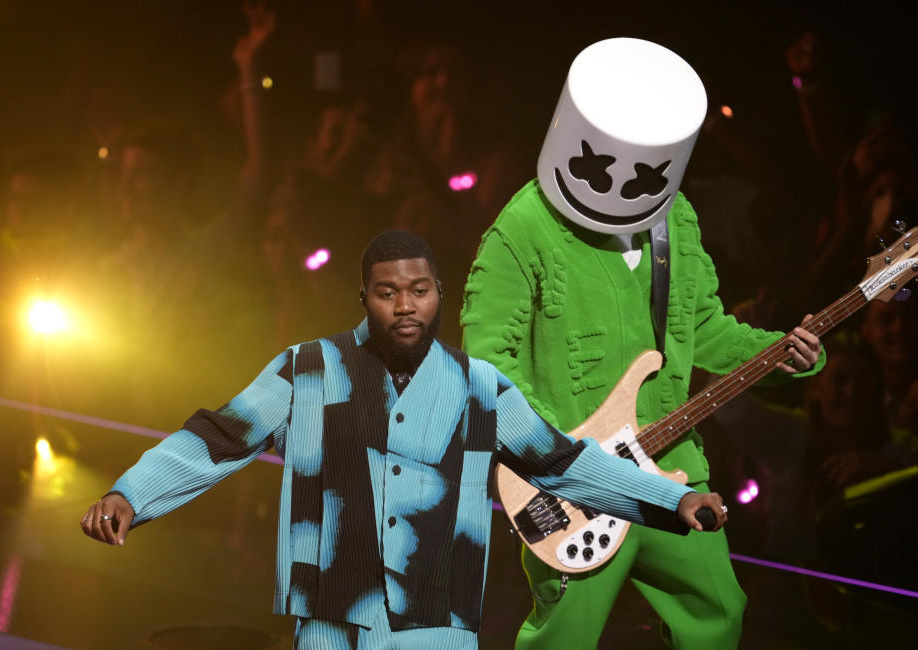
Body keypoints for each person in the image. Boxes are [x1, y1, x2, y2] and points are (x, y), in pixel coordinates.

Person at [80, 229, 729, 649]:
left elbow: (559, 463)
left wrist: (667, 501)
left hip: (436, 621)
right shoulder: (307, 369)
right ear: (364, 297)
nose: (405, 305)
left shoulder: (480, 387)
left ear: (438, 295)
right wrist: (132, 494)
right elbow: (220, 437)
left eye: (419, 290)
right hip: (332, 615)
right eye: (388, 293)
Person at [460, 39, 824, 649]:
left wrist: (783, 356)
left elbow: (701, 326)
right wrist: (560, 457)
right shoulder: (521, 230)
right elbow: (488, 368)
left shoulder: (674, 218)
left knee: (717, 613)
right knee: (566, 635)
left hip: (677, 465)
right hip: (577, 483)